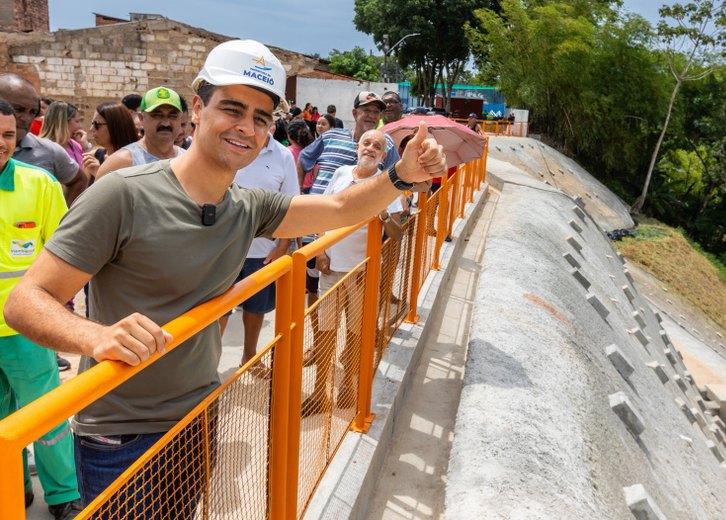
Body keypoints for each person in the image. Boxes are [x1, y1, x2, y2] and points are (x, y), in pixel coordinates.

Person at [3, 38, 445, 511]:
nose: (246, 128)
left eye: (260, 117)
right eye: (232, 109)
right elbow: (25, 300)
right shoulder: (122, 196)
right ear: (197, 108)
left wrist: (403, 173)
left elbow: (338, 207)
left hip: (197, 417)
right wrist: (94, 337)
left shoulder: (246, 206)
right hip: (120, 433)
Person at [0, 97, 82, 519]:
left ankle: (64, 494)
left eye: (8, 135)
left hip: (25, 332)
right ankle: (11, 491)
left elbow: (64, 254)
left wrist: (57, 316)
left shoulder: (40, 185)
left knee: (46, 419)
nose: (1, 143)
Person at [307, 129, 405, 415]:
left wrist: (383, 213)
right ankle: (318, 391)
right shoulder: (340, 173)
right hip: (331, 269)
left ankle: (348, 385)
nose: (371, 148)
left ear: (383, 156)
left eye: (378, 146)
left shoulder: (386, 184)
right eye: (367, 143)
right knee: (325, 332)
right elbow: (322, 212)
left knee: (354, 334)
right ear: (358, 147)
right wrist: (320, 251)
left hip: (362, 273)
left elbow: (397, 235)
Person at [297, 91, 401, 307]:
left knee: (356, 305)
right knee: (314, 290)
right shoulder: (330, 137)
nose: (371, 116)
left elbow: (394, 180)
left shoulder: (387, 144)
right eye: (366, 110)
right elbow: (303, 160)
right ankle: (316, 338)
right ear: (355, 112)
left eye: (376, 112)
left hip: (356, 240)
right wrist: (299, 192)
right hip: (318, 228)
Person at [219, 120, 300, 375]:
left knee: (256, 310)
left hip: (264, 252)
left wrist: (283, 246)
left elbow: (291, 203)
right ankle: (209, 365)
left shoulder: (283, 156)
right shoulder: (231, 146)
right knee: (218, 310)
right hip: (225, 249)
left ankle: (249, 357)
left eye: (265, 121)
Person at [0, 73, 88, 206]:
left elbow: (78, 180)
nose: (27, 118)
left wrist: (62, 218)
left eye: (33, 112)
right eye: (18, 109)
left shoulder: (49, 151)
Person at [95, 86, 185, 179]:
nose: (166, 123)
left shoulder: (188, 161)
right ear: (141, 118)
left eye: (172, 116)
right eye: (157, 115)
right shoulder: (120, 163)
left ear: (180, 118)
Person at [84, 102, 139, 176]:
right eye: (92, 123)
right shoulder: (93, 157)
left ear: (115, 126)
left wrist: (98, 173)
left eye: (97, 124)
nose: (91, 129)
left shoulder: (135, 161)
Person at [39, 101, 86, 170]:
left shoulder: (76, 145)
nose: (80, 126)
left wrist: (87, 147)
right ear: (63, 122)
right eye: (77, 121)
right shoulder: (43, 149)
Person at [287, 119, 314, 193]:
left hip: (293, 189)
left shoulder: (286, 152)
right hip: (310, 189)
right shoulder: (312, 150)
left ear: (289, 136)